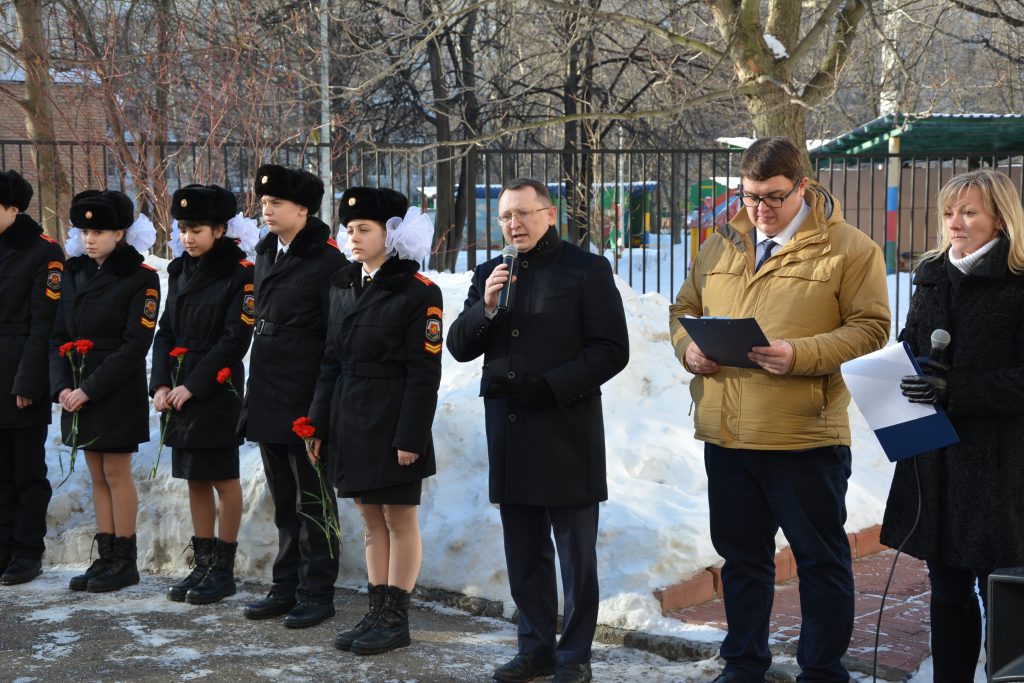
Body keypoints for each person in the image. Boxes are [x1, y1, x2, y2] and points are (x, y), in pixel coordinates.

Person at [668, 136, 890, 683]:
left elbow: (873, 328)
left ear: (804, 188)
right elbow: (684, 308)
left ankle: (821, 671)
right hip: (727, 433)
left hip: (804, 437)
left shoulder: (849, 249)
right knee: (742, 561)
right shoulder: (720, 244)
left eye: (773, 197)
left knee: (820, 562)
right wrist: (688, 348)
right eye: (749, 197)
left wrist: (801, 355)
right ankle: (743, 665)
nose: (760, 209)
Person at [447, 178, 629, 683]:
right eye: (506, 216)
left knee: (575, 555)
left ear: (550, 215)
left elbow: (612, 350)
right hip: (510, 430)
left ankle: (574, 656)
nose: (514, 224)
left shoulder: (586, 269)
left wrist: (551, 387)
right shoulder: (491, 272)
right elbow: (459, 347)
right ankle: (535, 648)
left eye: (524, 214)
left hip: (567, 429)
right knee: (523, 551)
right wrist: (485, 306)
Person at [881, 169, 1024, 682]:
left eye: (968, 212)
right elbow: (911, 344)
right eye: (948, 213)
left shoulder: (1019, 279)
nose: (955, 223)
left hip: (999, 467)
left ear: (1001, 219)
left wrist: (957, 390)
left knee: (1004, 593)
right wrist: (900, 376)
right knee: (945, 592)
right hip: (935, 462)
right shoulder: (933, 273)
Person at [308, 186, 441, 655]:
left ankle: (395, 617)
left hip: (393, 419)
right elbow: (329, 359)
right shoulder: (343, 284)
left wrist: (411, 436)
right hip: (350, 416)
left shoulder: (418, 291)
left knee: (399, 519)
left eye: (364, 229)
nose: (354, 238)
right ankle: (375, 609)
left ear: (393, 232)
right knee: (369, 519)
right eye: (349, 230)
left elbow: (425, 374)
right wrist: (318, 424)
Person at [241, 164, 346, 628]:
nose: (265, 209)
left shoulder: (328, 262)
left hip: (304, 395)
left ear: (303, 209)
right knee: (284, 500)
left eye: (275, 203)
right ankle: (286, 585)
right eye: (263, 202)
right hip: (267, 390)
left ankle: (317, 591)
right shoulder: (266, 252)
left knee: (313, 501)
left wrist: (319, 413)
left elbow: (333, 343)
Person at [152, 184, 256, 605]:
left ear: (219, 229)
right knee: (195, 476)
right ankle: (204, 560)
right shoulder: (179, 271)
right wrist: (160, 383)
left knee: (223, 478)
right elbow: (166, 330)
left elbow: (235, 339)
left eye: (196, 229)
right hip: (177, 388)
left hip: (215, 389)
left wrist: (192, 385)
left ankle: (223, 569)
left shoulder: (240, 272)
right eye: (182, 228)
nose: (187, 237)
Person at [51, 189, 160, 593]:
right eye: (84, 230)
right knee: (95, 472)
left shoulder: (141, 278)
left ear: (120, 233)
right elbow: (58, 334)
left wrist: (89, 390)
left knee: (115, 472)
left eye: (99, 230)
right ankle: (106, 554)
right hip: (77, 387)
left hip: (113, 388)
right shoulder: (74, 272)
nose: (89, 238)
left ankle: (125, 560)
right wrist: (62, 385)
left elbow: (135, 345)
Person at [0, 170, 63, 586]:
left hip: (21, 372)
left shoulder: (43, 252)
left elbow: (45, 324)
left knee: (26, 470)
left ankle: (27, 551)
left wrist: (28, 382)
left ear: (12, 208)